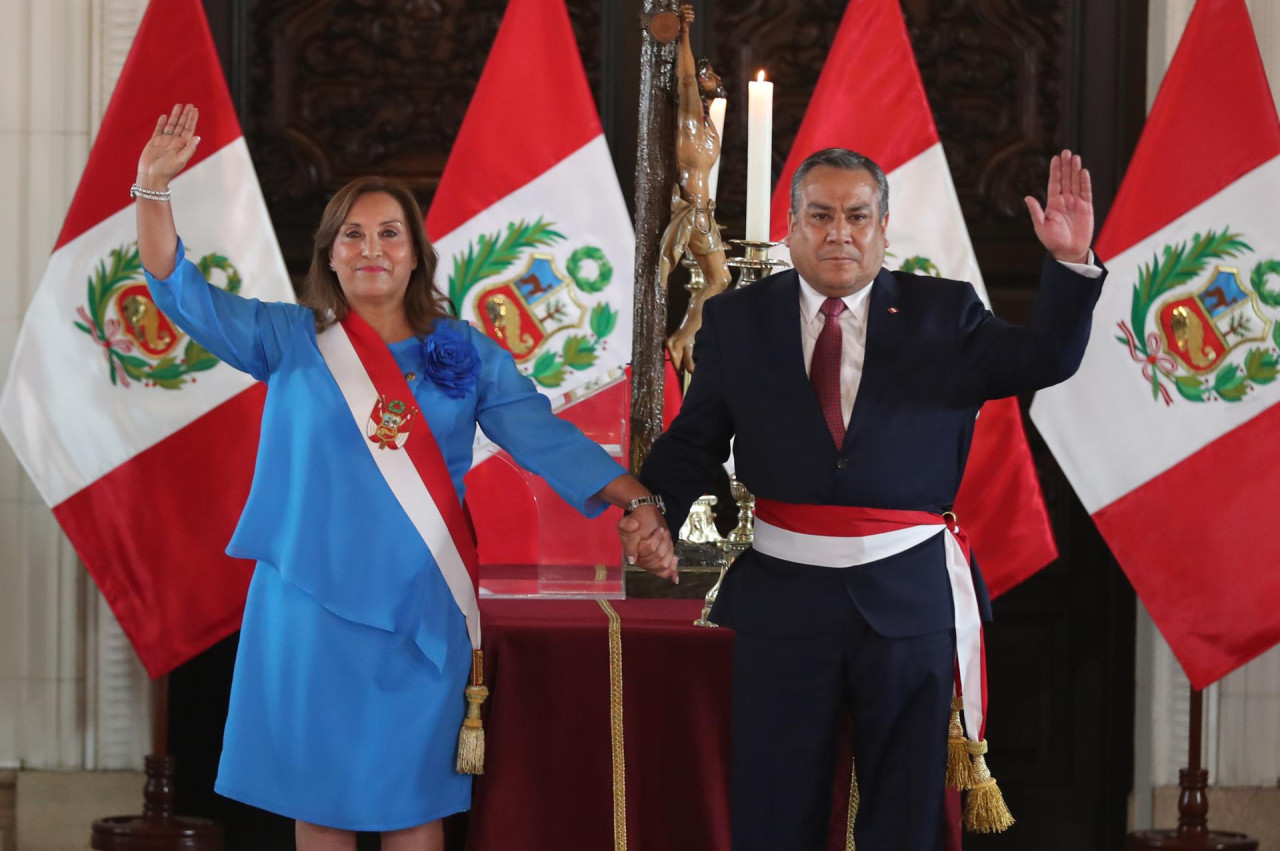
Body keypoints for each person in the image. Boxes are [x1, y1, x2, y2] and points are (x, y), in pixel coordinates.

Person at [134, 103, 668, 851]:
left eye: (390, 233)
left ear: (417, 252)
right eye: (353, 234)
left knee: (413, 802)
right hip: (308, 605)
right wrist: (151, 189)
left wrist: (634, 497)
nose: (372, 248)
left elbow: (541, 436)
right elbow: (176, 287)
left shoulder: (467, 353)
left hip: (421, 607)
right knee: (321, 801)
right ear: (330, 254)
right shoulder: (288, 340)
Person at [624, 147, 1104, 849]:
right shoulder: (738, 320)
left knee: (905, 815)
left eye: (857, 216)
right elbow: (694, 443)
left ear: (885, 228)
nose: (838, 233)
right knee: (773, 809)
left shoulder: (947, 314)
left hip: (907, 599)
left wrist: (1069, 262)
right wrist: (653, 507)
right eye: (819, 215)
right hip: (783, 601)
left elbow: (1047, 359)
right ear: (789, 228)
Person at [659, 4, 732, 371]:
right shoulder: (688, 122)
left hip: (705, 215)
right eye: (708, 73)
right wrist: (685, 33)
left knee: (721, 278)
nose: (714, 77)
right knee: (711, 278)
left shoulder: (707, 124)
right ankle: (675, 339)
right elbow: (686, 77)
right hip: (688, 213)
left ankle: (683, 335)